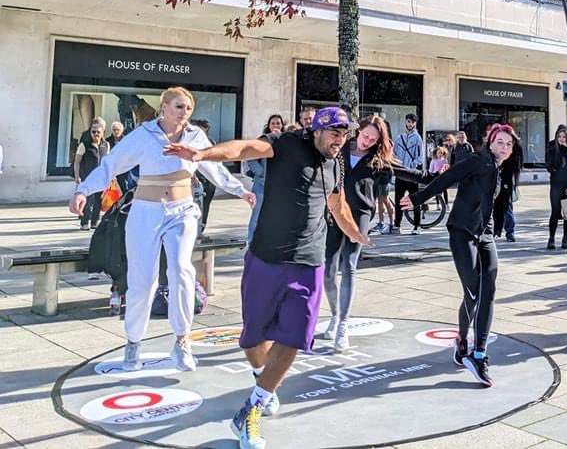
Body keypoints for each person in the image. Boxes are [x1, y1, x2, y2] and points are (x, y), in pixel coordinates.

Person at [166, 105, 369, 449]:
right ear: (317, 130)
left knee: (295, 336)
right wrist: (203, 154)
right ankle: (263, 378)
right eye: (335, 133)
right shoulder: (286, 143)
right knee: (254, 337)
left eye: (345, 134)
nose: (340, 140)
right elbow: (245, 148)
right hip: (267, 258)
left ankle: (253, 407)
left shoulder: (335, 163)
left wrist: (355, 234)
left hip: (309, 261)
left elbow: (337, 204)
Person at [69, 87, 254, 374]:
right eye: (179, 107)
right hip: (146, 212)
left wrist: (241, 191)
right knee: (143, 280)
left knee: (181, 270)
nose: (184, 113)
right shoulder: (144, 135)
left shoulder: (194, 136)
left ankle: (182, 341)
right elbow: (112, 164)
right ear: (164, 108)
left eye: (188, 108)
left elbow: (213, 168)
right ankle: (133, 343)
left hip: (182, 211)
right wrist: (84, 190)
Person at [401, 123, 520, 388]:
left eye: (509, 144)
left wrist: (498, 228)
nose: (504, 147)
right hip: (462, 232)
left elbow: (496, 202)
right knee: (473, 292)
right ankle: (462, 340)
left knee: (488, 291)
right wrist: (419, 198)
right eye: (500, 142)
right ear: (490, 143)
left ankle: (479, 354)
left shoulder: (502, 170)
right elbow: (447, 177)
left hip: (485, 235)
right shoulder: (477, 160)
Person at [321, 115, 395, 351]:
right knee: (328, 268)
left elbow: (403, 174)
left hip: (361, 212)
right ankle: (334, 315)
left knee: (349, 265)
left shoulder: (378, 160)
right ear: (358, 131)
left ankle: (344, 324)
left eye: (373, 139)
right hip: (333, 210)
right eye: (365, 136)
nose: (367, 142)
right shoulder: (340, 147)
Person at [244, 114, 286, 243]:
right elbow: (250, 159)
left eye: (278, 123)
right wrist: (261, 172)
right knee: (257, 215)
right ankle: (251, 242)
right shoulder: (262, 140)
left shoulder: (287, 141)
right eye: (273, 123)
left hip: (280, 186)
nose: (275, 125)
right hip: (262, 185)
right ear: (268, 126)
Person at [74, 121, 111, 230]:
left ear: (103, 132)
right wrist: (77, 176)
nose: (95, 134)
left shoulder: (106, 145)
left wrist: (110, 176)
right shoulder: (84, 145)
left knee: (98, 201)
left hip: (101, 178)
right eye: (93, 132)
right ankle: (84, 223)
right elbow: (77, 161)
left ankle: (95, 222)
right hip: (87, 177)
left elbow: (108, 162)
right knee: (88, 201)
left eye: (98, 132)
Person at [545, 125, 567, 250]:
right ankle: (551, 239)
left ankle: (565, 239)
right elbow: (550, 167)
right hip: (556, 184)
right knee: (555, 211)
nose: (562, 139)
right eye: (559, 137)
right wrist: (559, 151)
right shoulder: (552, 149)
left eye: (564, 137)